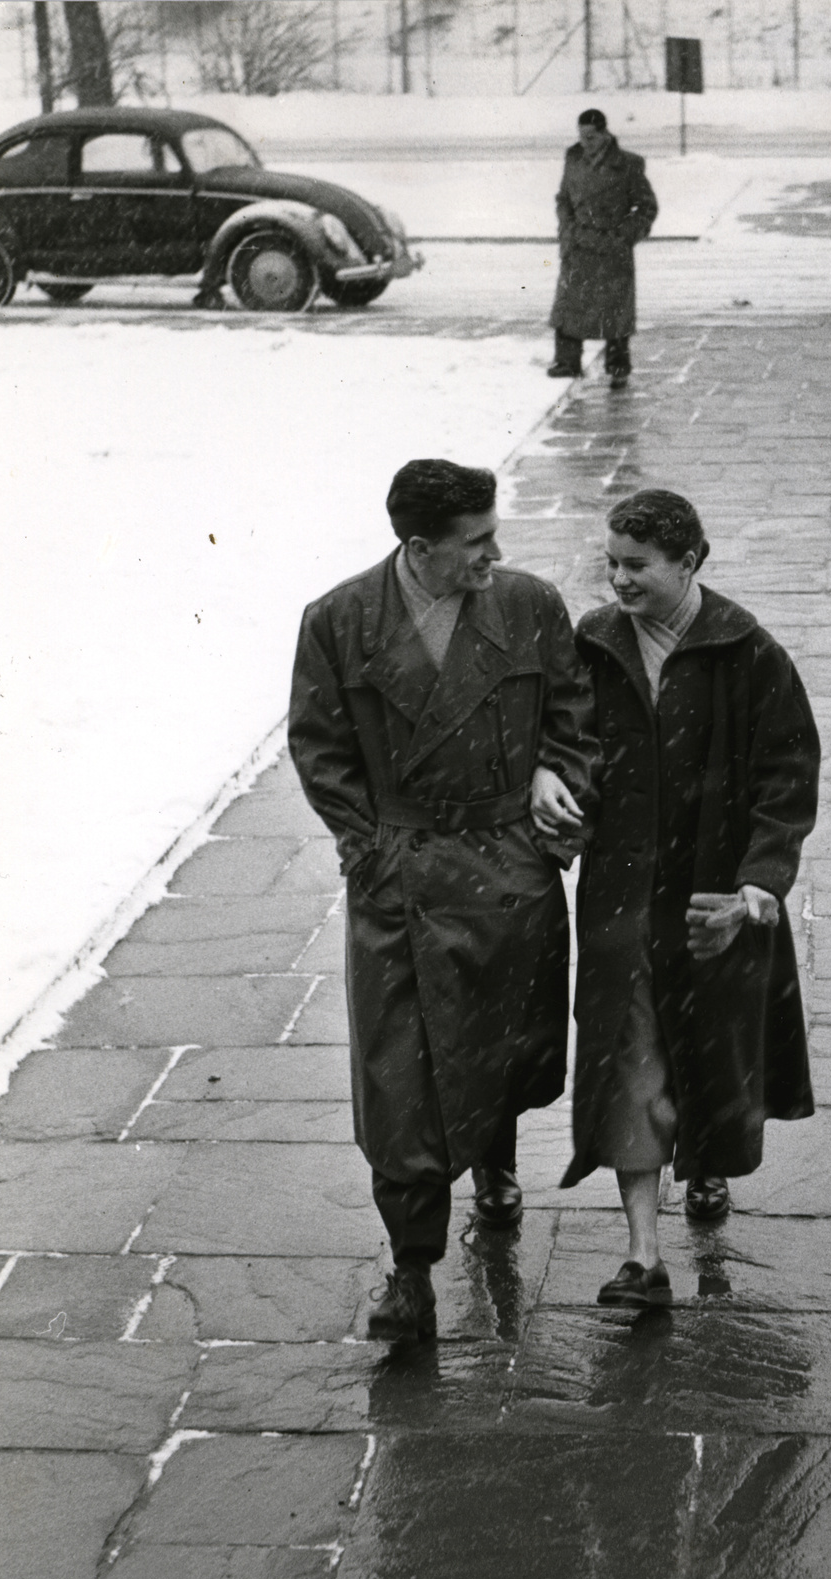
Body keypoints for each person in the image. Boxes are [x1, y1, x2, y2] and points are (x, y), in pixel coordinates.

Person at [288, 460, 596, 1342]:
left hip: (506, 869)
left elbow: (576, 717)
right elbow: (319, 746)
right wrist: (369, 851)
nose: (495, 554)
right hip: (404, 878)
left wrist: (553, 780)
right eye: (476, 542)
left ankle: (494, 1161)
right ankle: (412, 1271)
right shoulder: (340, 620)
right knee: (401, 1080)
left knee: (495, 1044)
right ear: (419, 549)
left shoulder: (529, 606)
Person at [557, 491, 820, 1306]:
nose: (618, 580)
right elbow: (566, 741)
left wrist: (758, 883)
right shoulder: (595, 644)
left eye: (637, 566)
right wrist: (558, 792)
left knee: (711, 1053)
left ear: (690, 562)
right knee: (629, 1057)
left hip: (714, 900)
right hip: (622, 897)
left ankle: (707, 1163)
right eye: (612, 563)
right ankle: (643, 1257)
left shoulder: (749, 653)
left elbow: (787, 775)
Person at [549, 107, 659, 391]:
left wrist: (623, 236)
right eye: (581, 136)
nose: (585, 143)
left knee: (615, 312)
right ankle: (567, 361)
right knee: (569, 307)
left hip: (611, 247)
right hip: (578, 244)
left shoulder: (628, 164)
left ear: (604, 134)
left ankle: (618, 368)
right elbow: (563, 198)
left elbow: (646, 207)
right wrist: (567, 229)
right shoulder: (573, 158)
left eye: (591, 137)